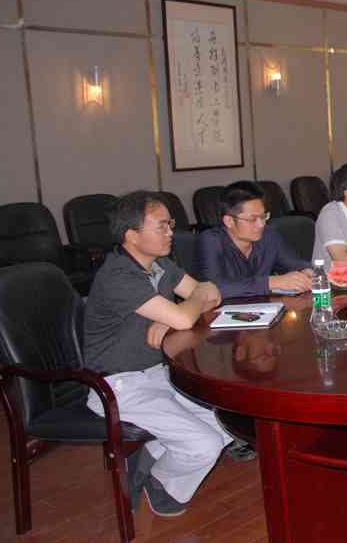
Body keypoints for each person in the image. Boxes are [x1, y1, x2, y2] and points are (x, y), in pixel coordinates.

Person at [82, 191, 235, 517]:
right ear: (131, 235)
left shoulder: (159, 264)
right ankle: (163, 486)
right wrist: (178, 314)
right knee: (204, 444)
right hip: (117, 386)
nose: (170, 233)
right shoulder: (118, 275)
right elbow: (192, 307)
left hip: (157, 374)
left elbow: (212, 293)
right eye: (161, 226)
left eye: (170, 225)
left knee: (229, 423)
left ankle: (152, 455)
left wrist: (170, 318)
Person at [197, 180, 311, 298]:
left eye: (263, 216)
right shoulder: (212, 240)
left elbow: (294, 263)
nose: (261, 224)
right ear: (229, 221)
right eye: (252, 219)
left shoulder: (269, 235)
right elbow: (213, 288)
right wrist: (271, 282)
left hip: (266, 306)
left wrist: (306, 272)